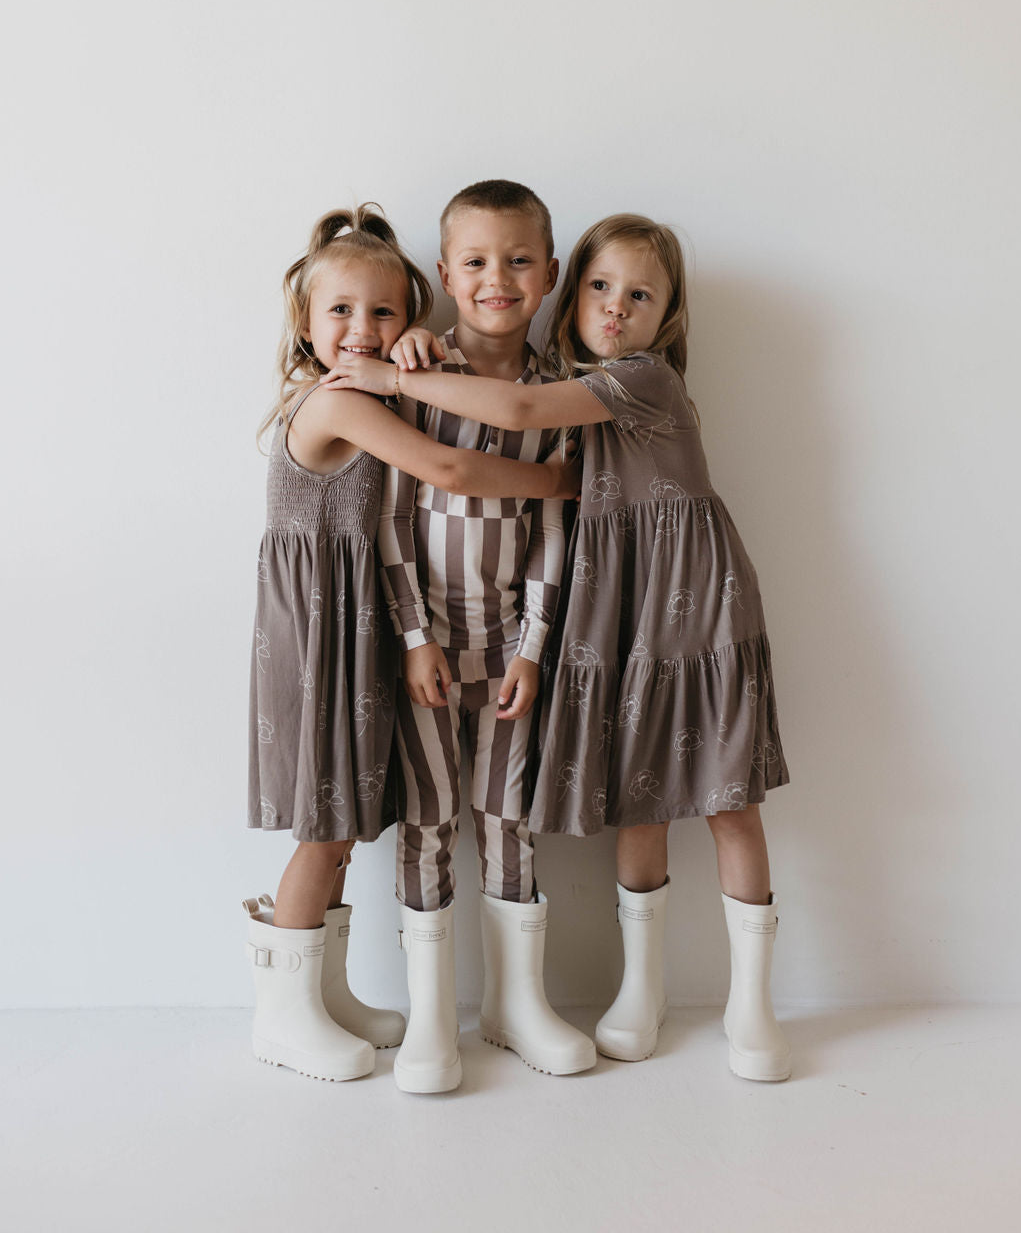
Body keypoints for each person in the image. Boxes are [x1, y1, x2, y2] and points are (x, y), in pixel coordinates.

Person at [327, 211, 792, 1083]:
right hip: (622, 625)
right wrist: (417, 353)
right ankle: (638, 996)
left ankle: (752, 1008)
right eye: (602, 287)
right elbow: (469, 459)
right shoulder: (571, 381)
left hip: (696, 617)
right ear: (570, 293)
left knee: (730, 798)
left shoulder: (635, 380)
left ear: (669, 314)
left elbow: (519, 412)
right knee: (638, 796)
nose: (616, 308)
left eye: (640, 293)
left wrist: (388, 372)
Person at [244, 204, 579, 1084]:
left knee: (348, 817)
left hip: (354, 630)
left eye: (385, 313)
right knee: (325, 824)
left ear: (413, 317)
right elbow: (447, 470)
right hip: (322, 632)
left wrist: (416, 357)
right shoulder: (336, 400)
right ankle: (281, 1012)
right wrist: (554, 479)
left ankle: (331, 992)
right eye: (341, 312)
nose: (362, 330)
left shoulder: (379, 378)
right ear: (306, 325)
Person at [336, 179, 596, 1094]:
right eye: (476, 262)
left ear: (552, 275)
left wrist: (532, 645)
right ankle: (432, 1021)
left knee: (510, 816)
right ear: (444, 275)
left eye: (520, 260)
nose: (498, 278)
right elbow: (393, 513)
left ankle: (516, 1008)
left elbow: (557, 530)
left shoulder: (560, 393)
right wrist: (412, 635)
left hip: (512, 650)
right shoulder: (418, 374)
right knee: (431, 819)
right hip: (429, 650)